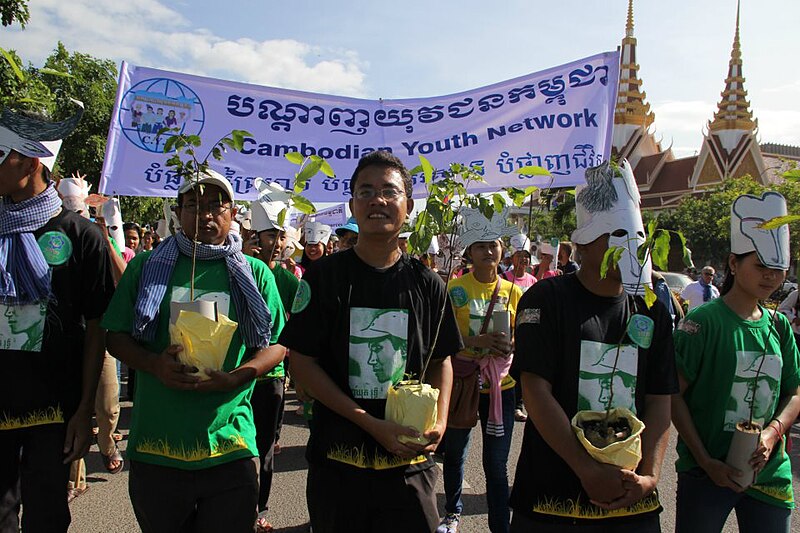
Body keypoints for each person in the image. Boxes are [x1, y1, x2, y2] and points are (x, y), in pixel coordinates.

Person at [279, 150, 460, 533]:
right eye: (366, 191)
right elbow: (303, 363)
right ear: (352, 205)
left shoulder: (428, 284)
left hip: (411, 467)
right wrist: (369, 423)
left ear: (408, 206)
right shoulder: (323, 278)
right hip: (339, 467)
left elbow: (442, 360)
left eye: (389, 191)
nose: (377, 200)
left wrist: (441, 421)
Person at [103, 170, 286, 533]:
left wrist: (237, 376)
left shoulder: (255, 274)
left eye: (216, 206)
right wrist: (155, 365)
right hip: (157, 448)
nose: (205, 215)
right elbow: (115, 336)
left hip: (230, 444)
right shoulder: (145, 268)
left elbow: (278, 343)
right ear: (177, 213)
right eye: (193, 205)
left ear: (233, 213)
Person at [509, 160, 677, 531]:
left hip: (632, 505)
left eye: (634, 236)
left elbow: (659, 398)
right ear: (582, 242)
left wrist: (649, 476)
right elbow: (535, 391)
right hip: (550, 502)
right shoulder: (545, 300)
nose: (627, 248)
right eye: (615, 236)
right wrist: (586, 468)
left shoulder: (652, 308)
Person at [0, 104, 116, 533]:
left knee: (48, 515)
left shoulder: (80, 236)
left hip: (55, 408)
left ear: (30, 161)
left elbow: (97, 327)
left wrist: (84, 410)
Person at [671, 191, 800, 533]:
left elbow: (793, 392)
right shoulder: (701, 323)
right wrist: (705, 460)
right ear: (733, 263)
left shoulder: (780, 325)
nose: (770, 276)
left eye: (777, 269)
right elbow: (673, 395)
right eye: (760, 266)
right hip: (707, 472)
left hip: (770, 473)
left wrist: (773, 434)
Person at [440, 208, 522, 533]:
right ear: (469, 251)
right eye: (481, 245)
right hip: (463, 384)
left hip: (501, 390)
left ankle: (500, 526)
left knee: (496, 465)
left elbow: (524, 339)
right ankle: (452, 512)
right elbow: (444, 341)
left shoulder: (515, 292)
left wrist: (510, 345)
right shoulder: (456, 289)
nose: (489, 251)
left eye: (494, 244)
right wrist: (479, 340)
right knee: (456, 454)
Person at [249, 179, 300, 532]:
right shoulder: (242, 270)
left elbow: (298, 327)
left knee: (265, 447)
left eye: (282, 236)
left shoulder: (291, 281)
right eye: (271, 235)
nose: (277, 243)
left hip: (273, 375)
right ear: (257, 236)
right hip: (239, 372)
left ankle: (259, 507)